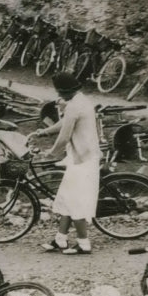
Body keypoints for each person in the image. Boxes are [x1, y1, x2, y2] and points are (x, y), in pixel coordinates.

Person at [27, 72, 101, 255]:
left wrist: (50, 153)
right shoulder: (80, 101)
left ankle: (84, 244)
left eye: (61, 93)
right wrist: (43, 133)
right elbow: (64, 123)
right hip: (82, 157)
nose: (59, 96)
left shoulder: (74, 106)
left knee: (76, 201)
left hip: (83, 160)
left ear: (68, 91)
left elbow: (65, 136)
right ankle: (61, 239)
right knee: (67, 198)